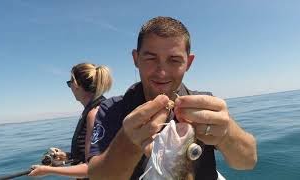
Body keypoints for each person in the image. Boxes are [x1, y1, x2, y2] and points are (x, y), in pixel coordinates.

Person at [87, 16, 257, 180]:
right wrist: (129, 142)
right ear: (136, 59)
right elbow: (97, 176)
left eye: (174, 60)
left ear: (188, 63)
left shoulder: (204, 105)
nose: (162, 72)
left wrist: (227, 134)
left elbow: (247, 162)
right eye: (150, 58)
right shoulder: (111, 109)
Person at [28, 63, 112, 179]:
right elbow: (95, 154)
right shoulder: (97, 109)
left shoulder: (94, 114)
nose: (70, 88)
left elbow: (91, 168)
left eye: (69, 83)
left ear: (76, 85)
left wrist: (47, 170)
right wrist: (67, 156)